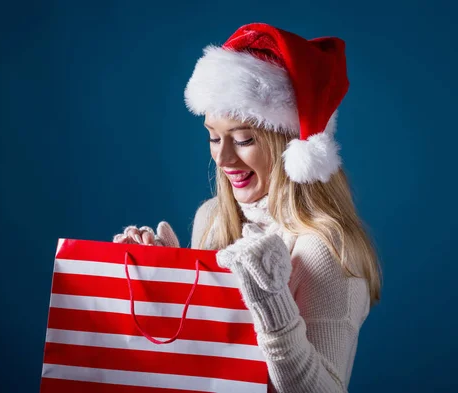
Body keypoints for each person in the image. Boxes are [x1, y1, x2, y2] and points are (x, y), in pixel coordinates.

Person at [113, 22, 381, 393]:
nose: (222, 157)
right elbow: (206, 363)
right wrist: (167, 286)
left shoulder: (325, 247)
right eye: (213, 137)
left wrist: (272, 301)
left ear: (289, 143)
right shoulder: (212, 218)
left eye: (243, 139)